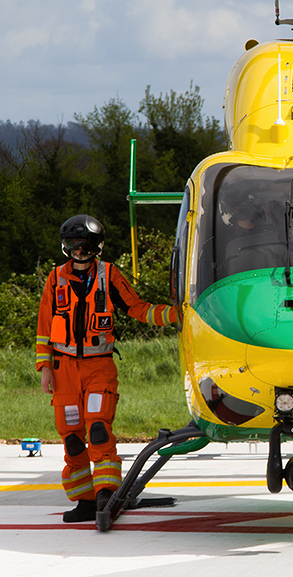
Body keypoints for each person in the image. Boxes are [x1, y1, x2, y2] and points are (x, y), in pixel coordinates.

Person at [36, 214, 179, 523]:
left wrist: (174, 315)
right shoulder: (54, 278)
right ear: (66, 248)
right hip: (63, 371)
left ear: (96, 248)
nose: (79, 252)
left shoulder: (110, 275)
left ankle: (106, 493)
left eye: (85, 247)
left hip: (99, 367)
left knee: (98, 430)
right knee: (72, 438)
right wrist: (44, 366)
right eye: (74, 247)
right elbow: (44, 325)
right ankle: (85, 501)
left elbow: (137, 308)